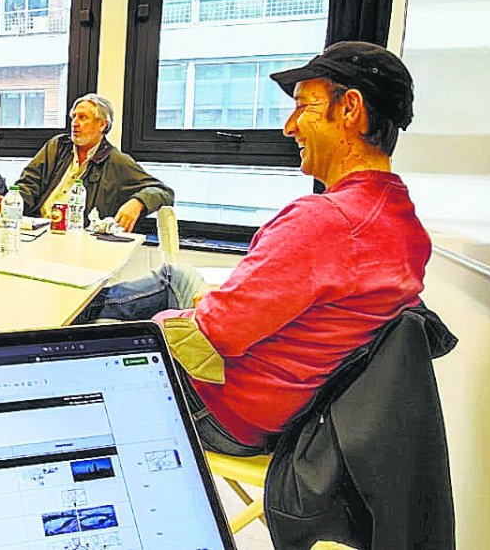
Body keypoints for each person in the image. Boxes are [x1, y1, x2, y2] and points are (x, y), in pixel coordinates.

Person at [78, 41, 430, 457]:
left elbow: (212, 334)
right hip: (288, 405)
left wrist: (166, 321)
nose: (289, 127)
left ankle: (76, 319)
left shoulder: (325, 221)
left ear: (350, 109)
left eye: (303, 107)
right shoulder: (403, 223)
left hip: (223, 410)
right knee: (176, 277)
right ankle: (87, 311)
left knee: (82, 347)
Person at [0, 94, 173, 231]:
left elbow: (163, 192)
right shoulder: (57, 146)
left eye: (83, 118)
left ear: (102, 124)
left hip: (78, 237)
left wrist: (137, 202)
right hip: (38, 229)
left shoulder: (115, 160)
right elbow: (30, 183)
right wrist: (12, 204)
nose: (74, 123)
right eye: (74, 117)